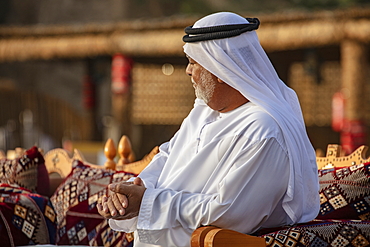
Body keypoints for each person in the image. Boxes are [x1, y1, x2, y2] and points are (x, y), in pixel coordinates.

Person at [97, 12, 320, 247]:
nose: (188, 71)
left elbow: (229, 213)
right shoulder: (204, 111)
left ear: (221, 69)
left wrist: (148, 202)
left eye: (194, 63)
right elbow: (168, 157)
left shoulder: (264, 130)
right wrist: (130, 194)